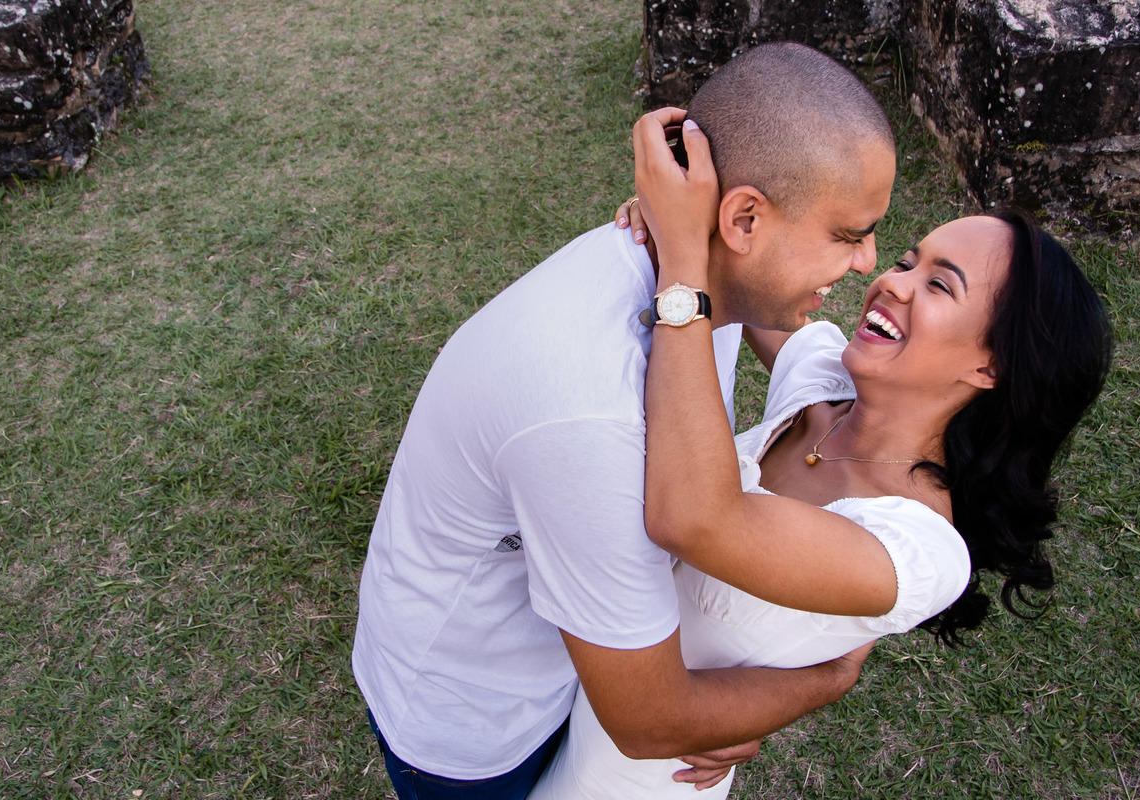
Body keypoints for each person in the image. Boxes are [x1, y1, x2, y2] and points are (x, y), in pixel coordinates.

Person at [351, 42, 897, 799]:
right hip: (478, 717)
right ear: (741, 218)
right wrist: (823, 679)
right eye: (848, 234)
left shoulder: (692, 277)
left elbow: (792, 335)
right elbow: (650, 719)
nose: (869, 260)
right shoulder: (590, 407)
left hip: (569, 651)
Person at [527, 110, 1113, 799]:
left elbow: (695, 517)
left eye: (938, 285)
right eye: (907, 260)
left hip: (635, 777)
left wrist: (685, 264)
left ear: (991, 367)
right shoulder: (828, 383)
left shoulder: (919, 551)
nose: (892, 281)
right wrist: (681, 225)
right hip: (564, 682)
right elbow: (760, 289)